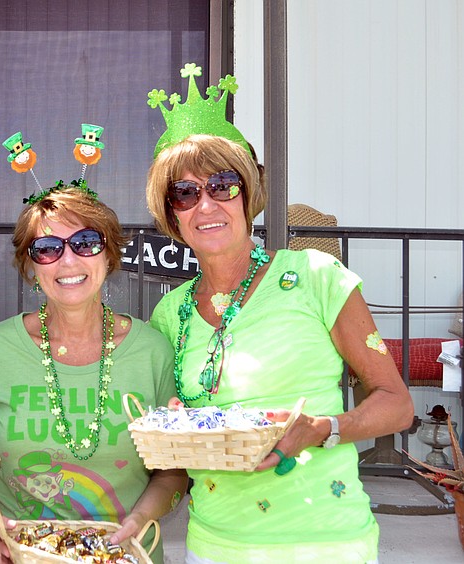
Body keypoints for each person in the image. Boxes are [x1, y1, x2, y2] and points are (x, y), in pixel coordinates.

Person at [144, 133, 414, 563]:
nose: (206, 205)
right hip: (214, 546)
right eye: (185, 193)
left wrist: (322, 429)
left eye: (223, 186)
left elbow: (396, 405)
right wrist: (175, 420)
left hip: (325, 545)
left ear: (248, 197)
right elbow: (171, 446)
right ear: (172, 215)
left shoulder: (316, 276)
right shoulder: (169, 313)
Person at [0, 183, 187, 563]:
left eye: (86, 242)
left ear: (109, 255)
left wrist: (139, 520)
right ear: (30, 265)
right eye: (47, 248)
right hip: (13, 555)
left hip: (121, 554)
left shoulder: (152, 351)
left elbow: (173, 472)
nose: (68, 260)